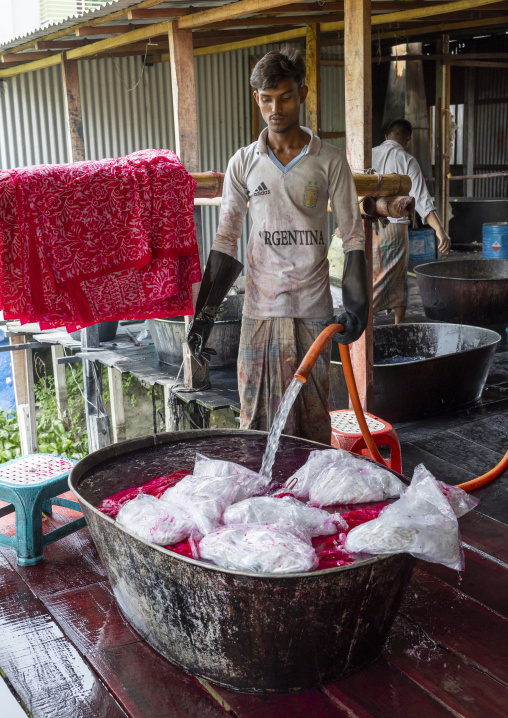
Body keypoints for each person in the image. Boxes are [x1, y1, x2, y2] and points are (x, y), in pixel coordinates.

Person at [187, 47, 368, 445]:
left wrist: (357, 307)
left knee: (313, 418)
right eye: (266, 99)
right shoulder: (243, 162)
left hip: (312, 309)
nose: (276, 108)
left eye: (285, 97)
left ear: (301, 95)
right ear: (257, 99)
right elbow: (226, 238)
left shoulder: (329, 160)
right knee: (254, 419)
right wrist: (203, 318)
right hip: (260, 309)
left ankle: (304, 498)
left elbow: (353, 236)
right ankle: (264, 500)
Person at [372, 118, 451, 324]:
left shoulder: (368, 154)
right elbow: (423, 200)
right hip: (395, 230)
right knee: (398, 278)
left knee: (370, 277)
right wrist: (439, 230)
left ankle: (365, 324)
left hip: (368, 226)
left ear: (387, 137)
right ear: (407, 141)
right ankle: (397, 326)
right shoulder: (407, 160)